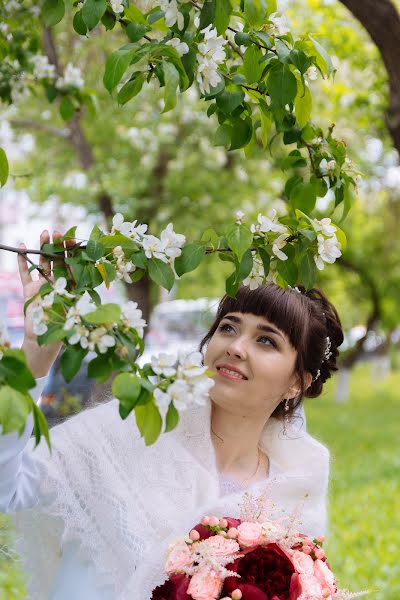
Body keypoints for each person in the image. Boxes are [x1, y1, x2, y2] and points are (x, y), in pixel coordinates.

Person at [0, 230, 344, 600]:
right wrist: (34, 356)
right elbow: (11, 486)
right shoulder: (128, 432)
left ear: (297, 382)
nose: (236, 347)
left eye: (266, 340)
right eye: (228, 327)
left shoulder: (296, 488)